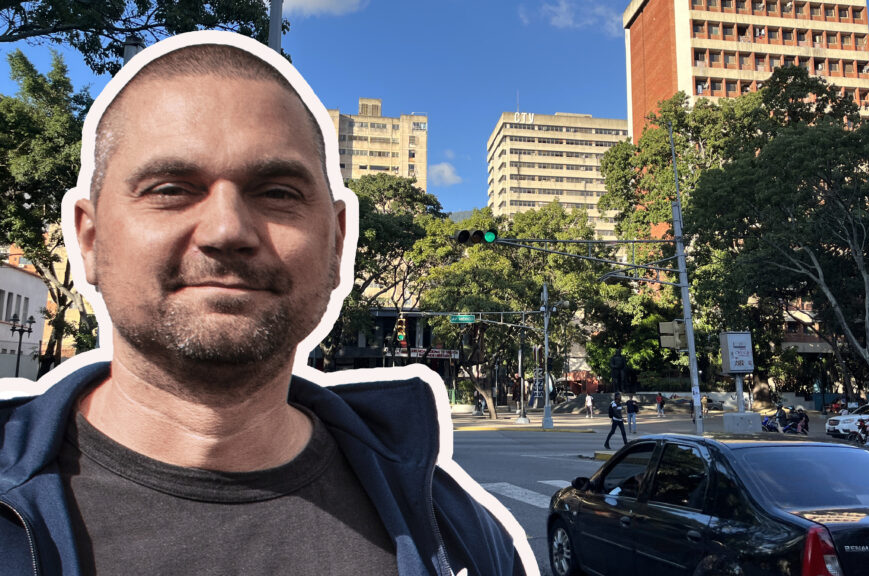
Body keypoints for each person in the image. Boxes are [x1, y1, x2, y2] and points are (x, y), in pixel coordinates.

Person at [0, 34, 531, 576]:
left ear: (337, 243)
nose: (226, 231)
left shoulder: (458, 537)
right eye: (171, 189)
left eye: (277, 193)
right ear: (89, 240)